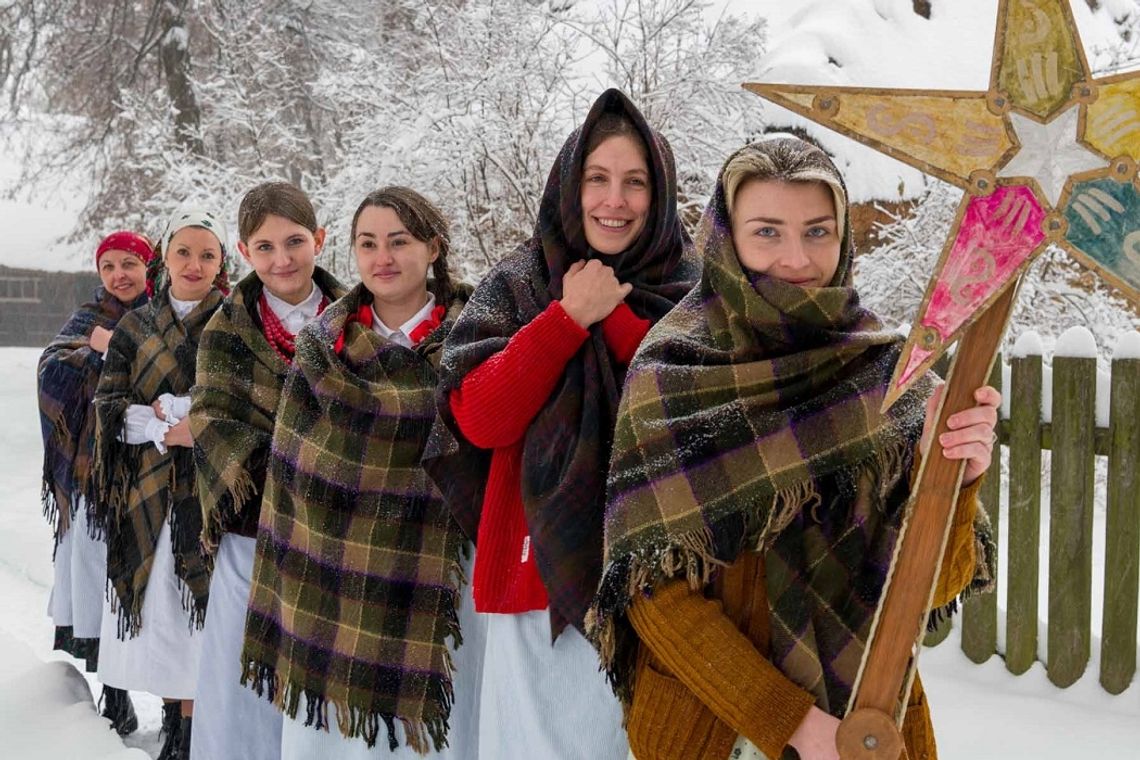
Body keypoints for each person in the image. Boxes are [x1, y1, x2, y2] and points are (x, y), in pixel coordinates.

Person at [587, 135, 1000, 760]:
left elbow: (936, 589)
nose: (797, 258)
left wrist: (955, 480)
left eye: (817, 231)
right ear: (725, 238)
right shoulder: (673, 371)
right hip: (717, 728)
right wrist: (795, 723)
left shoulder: (893, 376)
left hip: (870, 723)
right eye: (767, 231)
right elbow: (653, 596)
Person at [423, 89, 698, 760]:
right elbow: (480, 419)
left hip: (664, 586)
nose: (615, 199)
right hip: (536, 576)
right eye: (596, 179)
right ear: (569, 185)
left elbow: (695, 413)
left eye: (635, 183)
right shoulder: (519, 282)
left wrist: (622, 322)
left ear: (658, 196)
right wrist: (567, 319)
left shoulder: (695, 290)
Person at [241, 186, 485, 759]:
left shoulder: (480, 332)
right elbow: (293, 471)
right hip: (333, 581)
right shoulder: (321, 346)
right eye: (368, 243)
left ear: (433, 248)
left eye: (400, 242)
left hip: (440, 577)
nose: (384, 258)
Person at [188, 182, 347, 760]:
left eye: (295, 241)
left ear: (320, 239)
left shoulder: (356, 318)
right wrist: (286, 471)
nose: (282, 259)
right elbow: (212, 420)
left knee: (324, 670)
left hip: (337, 526)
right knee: (247, 672)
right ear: (243, 251)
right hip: (254, 528)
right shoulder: (225, 330)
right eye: (264, 246)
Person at [92, 210, 230, 760]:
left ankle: (201, 729)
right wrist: (157, 428)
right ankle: (177, 727)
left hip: (218, 491)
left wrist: (194, 415)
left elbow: (250, 397)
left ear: (222, 264)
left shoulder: (236, 319)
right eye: (184, 253)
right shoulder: (135, 326)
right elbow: (110, 405)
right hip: (147, 491)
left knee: (208, 612)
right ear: (164, 259)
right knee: (166, 614)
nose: (194, 265)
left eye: (208, 255)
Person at [38, 230, 153, 736]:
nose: (119, 275)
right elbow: (51, 369)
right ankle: (115, 692)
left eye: (129, 263)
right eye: (109, 266)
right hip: (94, 481)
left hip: (153, 472)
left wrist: (125, 348)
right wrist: (99, 352)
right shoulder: (88, 320)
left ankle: (178, 706)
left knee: (156, 585)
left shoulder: (170, 314)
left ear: (150, 267)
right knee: (98, 580)